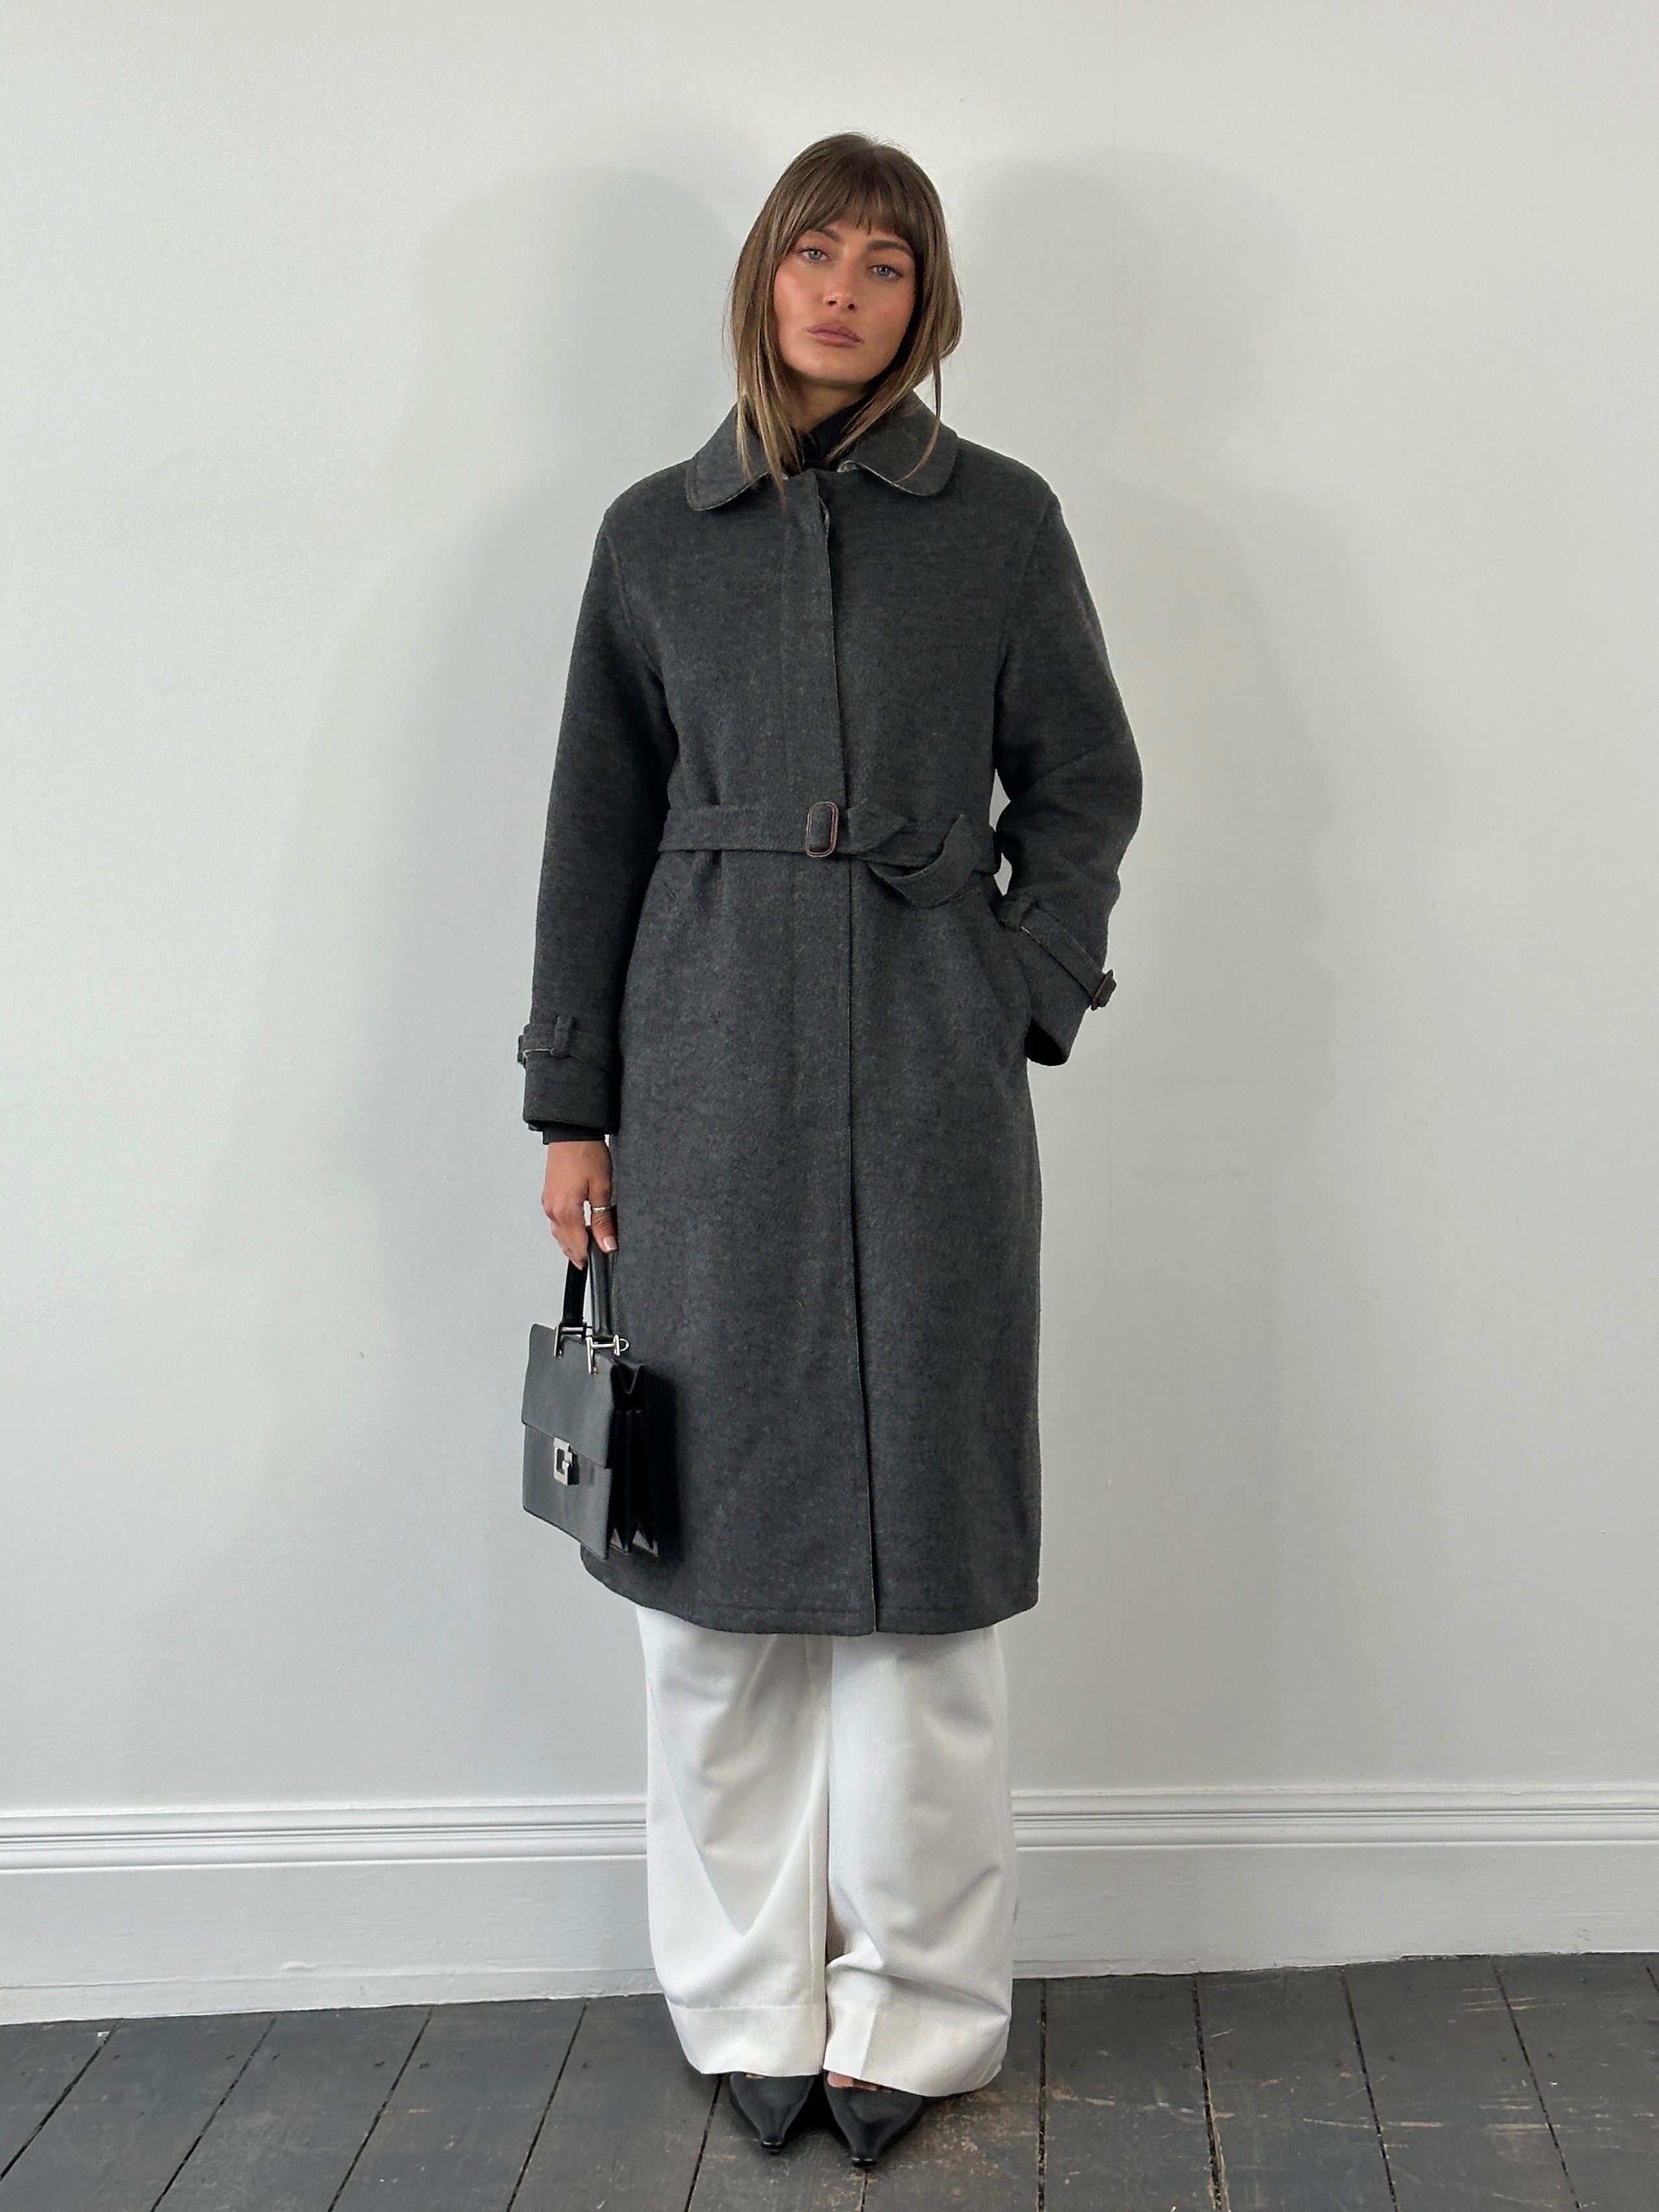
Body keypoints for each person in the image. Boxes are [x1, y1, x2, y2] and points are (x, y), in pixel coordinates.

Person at [519, 132, 1142, 2169]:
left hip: (934, 1090)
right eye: (815, 252)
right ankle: (743, 2002)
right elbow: (592, 829)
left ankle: (921, 2013)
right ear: (765, 277)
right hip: (702, 1080)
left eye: (884, 261)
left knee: (926, 1598)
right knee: (708, 1597)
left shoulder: (1002, 523)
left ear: (922, 298)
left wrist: (1015, 981)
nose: (844, 291)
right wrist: (574, 1102)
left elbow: (1081, 778)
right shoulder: (652, 535)